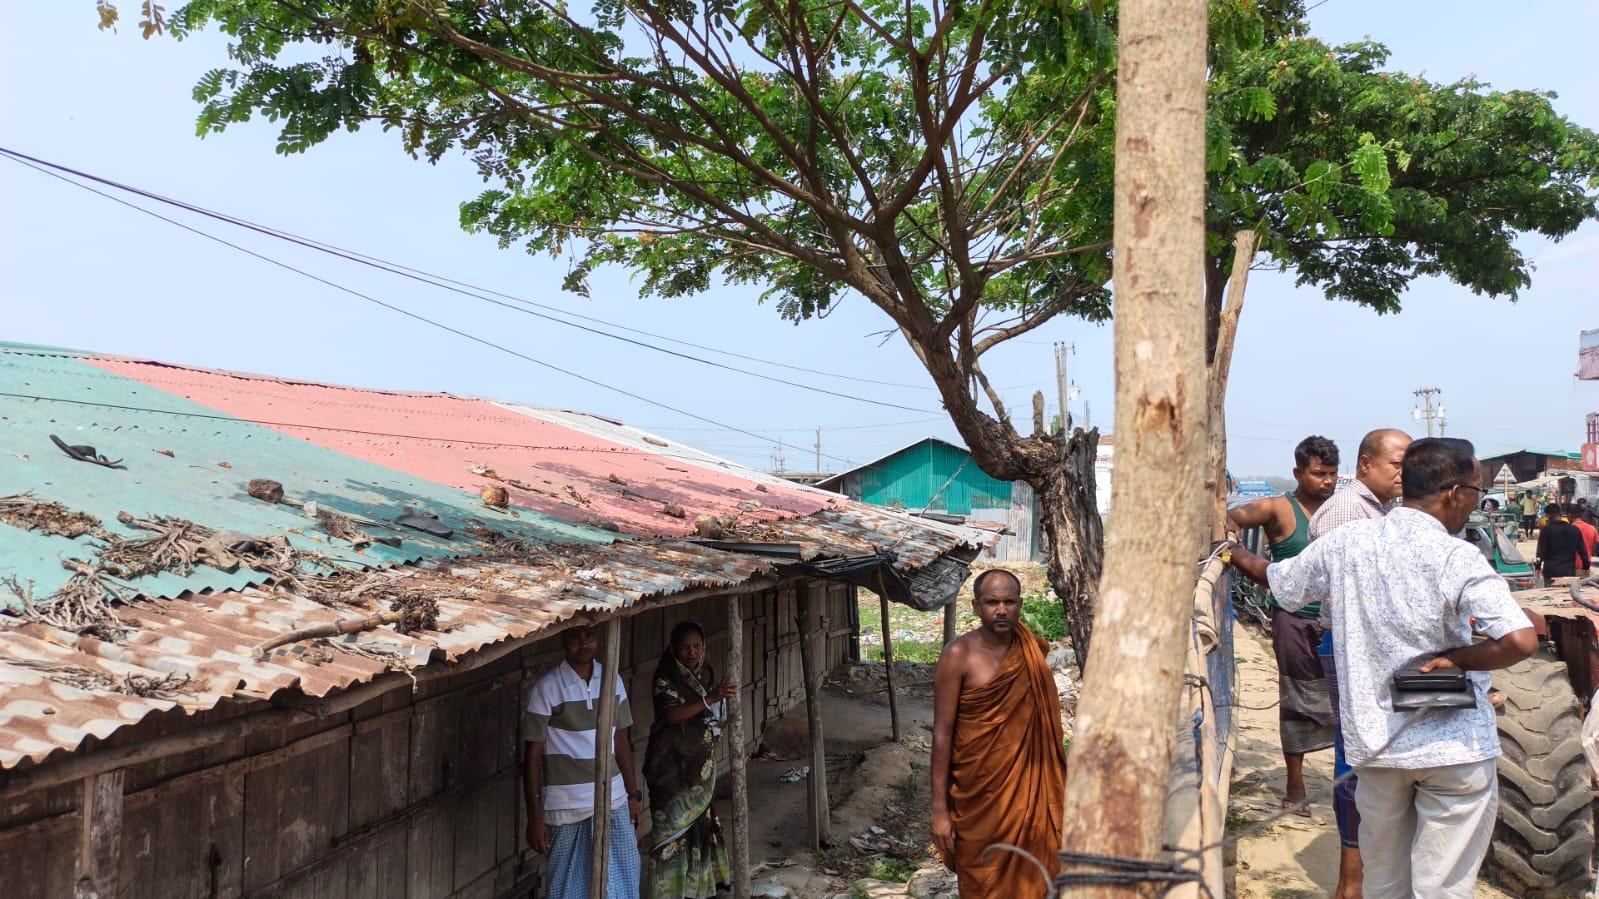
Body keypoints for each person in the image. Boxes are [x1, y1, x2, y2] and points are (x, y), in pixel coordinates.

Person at [1232, 437, 1537, 898]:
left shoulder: (1346, 543)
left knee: (1385, 882)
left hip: (1378, 749)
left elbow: (1282, 584)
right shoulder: (1456, 555)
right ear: (1454, 493)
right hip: (1454, 750)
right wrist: (1457, 657)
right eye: (1475, 493)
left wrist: (1228, 552)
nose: (1472, 506)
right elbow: (1519, 639)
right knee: (1443, 886)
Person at [1305, 427, 1410, 899]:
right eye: (1396, 464)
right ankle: (1352, 874)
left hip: (1366, 646)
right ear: (1366, 465)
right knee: (1356, 752)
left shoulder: (1382, 509)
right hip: (1350, 645)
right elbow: (1333, 583)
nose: (1403, 474)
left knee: (1370, 749)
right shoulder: (1350, 510)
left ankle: (1365, 864)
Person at [930, 569, 1066, 898]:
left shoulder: (1030, 651)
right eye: (992, 602)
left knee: (1036, 878)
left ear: (1020, 604)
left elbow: (1045, 728)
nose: (1001, 610)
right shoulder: (958, 655)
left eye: (1009, 602)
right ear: (977, 606)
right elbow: (942, 735)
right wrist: (939, 810)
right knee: (982, 881)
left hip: (1029, 795)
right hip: (979, 798)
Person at [1227, 435, 1340, 813]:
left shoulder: (1344, 510)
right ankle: (1295, 787)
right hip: (1294, 619)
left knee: (1345, 699)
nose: (1327, 481)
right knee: (1296, 699)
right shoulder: (1280, 509)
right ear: (1298, 473)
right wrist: (1231, 542)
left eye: (1333, 473)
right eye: (1319, 473)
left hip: (1338, 621)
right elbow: (1233, 517)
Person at [525, 626, 643, 899]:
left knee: (624, 876)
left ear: (598, 639)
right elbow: (531, 756)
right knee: (567, 887)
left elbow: (622, 740)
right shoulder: (547, 688)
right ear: (563, 641)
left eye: (589, 636)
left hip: (613, 798)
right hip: (567, 806)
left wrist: (633, 795)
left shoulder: (613, 680)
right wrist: (534, 817)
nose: (584, 643)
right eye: (576, 637)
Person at [643, 622, 736, 899]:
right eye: (685, 646)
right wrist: (712, 698)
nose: (692, 651)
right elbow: (672, 716)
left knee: (699, 831)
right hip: (669, 771)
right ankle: (669, 891)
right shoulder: (665, 679)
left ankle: (697, 891)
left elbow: (715, 712)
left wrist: (718, 706)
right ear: (673, 648)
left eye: (696, 645)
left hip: (699, 772)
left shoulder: (705, 673)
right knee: (669, 834)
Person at [1536, 503, 1590, 581]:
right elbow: (1583, 553)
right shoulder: (1575, 530)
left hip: (1550, 572)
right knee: (1566, 592)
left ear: (1548, 515)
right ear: (1560, 514)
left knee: (1550, 593)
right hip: (1569, 572)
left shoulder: (1546, 530)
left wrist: (1537, 567)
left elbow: (1540, 553)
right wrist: (1586, 567)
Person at [1568, 504, 1596, 571]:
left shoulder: (1567, 529)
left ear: (1569, 515)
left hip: (1570, 565)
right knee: (1583, 581)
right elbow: (1594, 546)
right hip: (1586, 565)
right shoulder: (1592, 528)